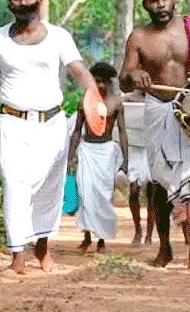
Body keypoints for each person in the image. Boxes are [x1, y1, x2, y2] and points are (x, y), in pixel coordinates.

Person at [0, 0, 98, 275]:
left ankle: (44, 253)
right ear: (10, 2)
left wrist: (94, 99)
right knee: (14, 184)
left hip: (52, 123)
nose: (23, 3)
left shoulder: (59, 36)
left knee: (50, 187)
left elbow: (79, 70)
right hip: (13, 121)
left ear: (40, 0)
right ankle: (17, 256)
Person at [119, 0, 190, 270]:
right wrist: (134, 76)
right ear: (144, 5)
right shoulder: (138, 38)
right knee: (161, 183)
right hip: (157, 109)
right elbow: (124, 80)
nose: (160, 5)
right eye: (154, 0)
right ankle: (164, 249)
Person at [67, 62, 128, 253]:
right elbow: (76, 131)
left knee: (103, 196)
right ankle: (86, 237)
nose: (100, 86)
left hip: (106, 152)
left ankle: (101, 240)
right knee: (86, 195)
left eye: (104, 82)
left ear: (110, 83)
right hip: (87, 151)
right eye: (97, 81)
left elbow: (123, 132)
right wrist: (70, 158)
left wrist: (126, 160)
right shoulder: (84, 102)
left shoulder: (116, 103)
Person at [118, 90, 158, 248]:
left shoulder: (157, 97)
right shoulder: (127, 98)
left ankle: (149, 234)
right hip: (133, 147)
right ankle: (138, 231)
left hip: (151, 147)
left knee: (152, 192)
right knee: (134, 190)